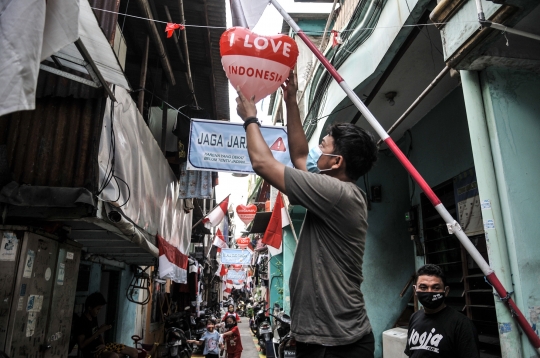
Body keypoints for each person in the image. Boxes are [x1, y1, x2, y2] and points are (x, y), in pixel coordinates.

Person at [236, 71, 378, 357]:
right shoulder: (334, 189)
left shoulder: (337, 193)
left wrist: (250, 119)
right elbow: (300, 156)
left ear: (336, 162)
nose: (316, 152)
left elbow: (263, 163)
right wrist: (290, 101)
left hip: (339, 344)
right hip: (319, 338)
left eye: (322, 147)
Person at [405, 264, 480, 357]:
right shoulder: (414, 317)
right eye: (423, 287)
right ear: (415, 290)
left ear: (446, 291)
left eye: (436, 288)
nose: (429, 292)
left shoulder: (461, 324)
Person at [75, 292, 138, 358]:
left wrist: (103, 343)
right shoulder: (82, 322)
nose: (98, 312)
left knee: (134, 352)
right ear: (89, 307)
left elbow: (98, 336)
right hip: (94, 351)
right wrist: (99, 331)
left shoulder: (93, 317)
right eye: (97, 309)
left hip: (104, 346)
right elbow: (82, 345)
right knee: (114, 356)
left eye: (100, 309)